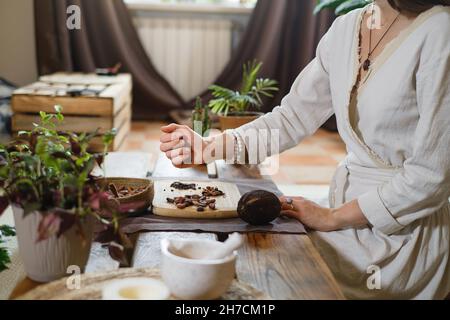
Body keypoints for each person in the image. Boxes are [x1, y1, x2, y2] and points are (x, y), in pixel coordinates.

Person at [160, 0, 450, 299]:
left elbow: (431, 177)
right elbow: (292, 117)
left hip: (401, 235)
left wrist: (333, 217)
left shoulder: (440, 30)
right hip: (343, 209)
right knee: (250, 254)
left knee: (269, 274)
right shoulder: (347, 27)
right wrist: (210, 146)